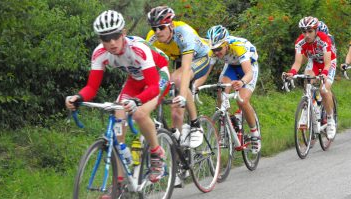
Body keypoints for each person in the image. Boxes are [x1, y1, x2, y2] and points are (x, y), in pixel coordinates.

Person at [65, 10, 171, 183]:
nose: (112, 43)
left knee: (139, 113)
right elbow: (92, 87)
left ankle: (156, 153)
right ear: (101, 40)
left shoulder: (138, 49)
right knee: (117, 114)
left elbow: (152, 87)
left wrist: (137, 101)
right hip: (135, 79)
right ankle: (120, 182)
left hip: (158, 77)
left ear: (124, 34)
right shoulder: (99, 53)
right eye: (106, 39)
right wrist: (78, 97)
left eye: (115, 36)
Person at [146, 6, 211, 148]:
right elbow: (149, 67)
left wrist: (182, 96)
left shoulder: (184, 33)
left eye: (161, 27)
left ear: (170, 25)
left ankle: (195, 124)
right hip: (179, 60)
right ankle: (178, 145)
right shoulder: (151, 37)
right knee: (176, 112)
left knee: (178, 80)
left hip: (199, 57)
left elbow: (186, 69)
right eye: (154, 28)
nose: (157, 32)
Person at [206, 25, 261, 154]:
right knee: (221, 90)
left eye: (219, 49)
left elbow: (249, 73)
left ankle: (254, 134)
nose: (216, 52)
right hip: (232, 66)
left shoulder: (238, 47)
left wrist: (241, 82)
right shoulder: (213, 52)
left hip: (249, 67)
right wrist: (194, 85)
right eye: (213, 50)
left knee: (242, 101)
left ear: (226, 44)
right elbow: (205, 73)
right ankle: (225, 126)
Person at [284, 16, 337, 139]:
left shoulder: (324, 39)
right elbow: (297, 63)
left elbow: (328, 63)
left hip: (328, 63)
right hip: (314, 61)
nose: (306, 35)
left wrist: (324, 73)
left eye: (310, 31)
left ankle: (330, 120)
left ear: (316, 30)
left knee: (324, 90)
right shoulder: (300, 42)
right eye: (304, 31)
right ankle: (309, 106)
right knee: (307, 80)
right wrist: (291, 72)